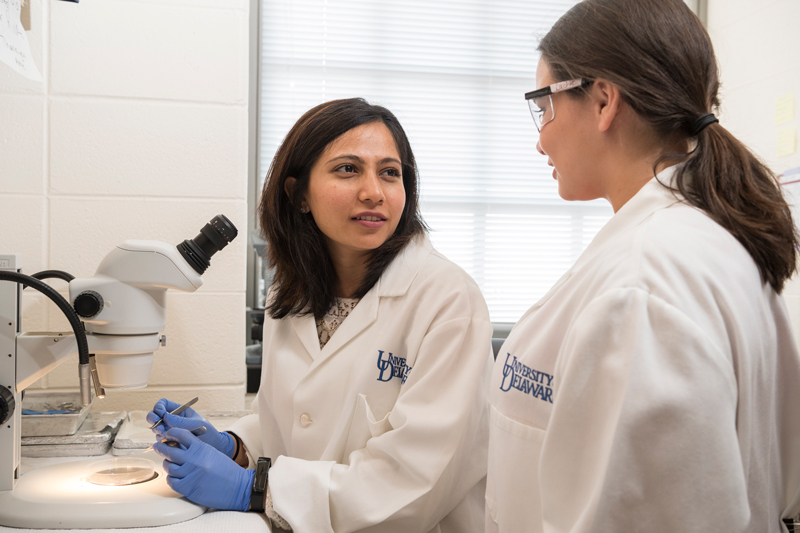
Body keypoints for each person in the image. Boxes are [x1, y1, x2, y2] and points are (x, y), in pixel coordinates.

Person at [485, 0, 800, 531]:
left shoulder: (642, 286)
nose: (540, 138)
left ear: (604, 100)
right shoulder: (705, 241)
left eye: (544, 106)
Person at [147, 98, 494, 532]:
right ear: (298, 194)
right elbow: (302, 420)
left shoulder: (447, 301)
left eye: (390, 172)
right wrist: (235, 447)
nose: (374, 191)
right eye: (348, 169)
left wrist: (255, 490)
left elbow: (414, 482)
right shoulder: (289, 294)